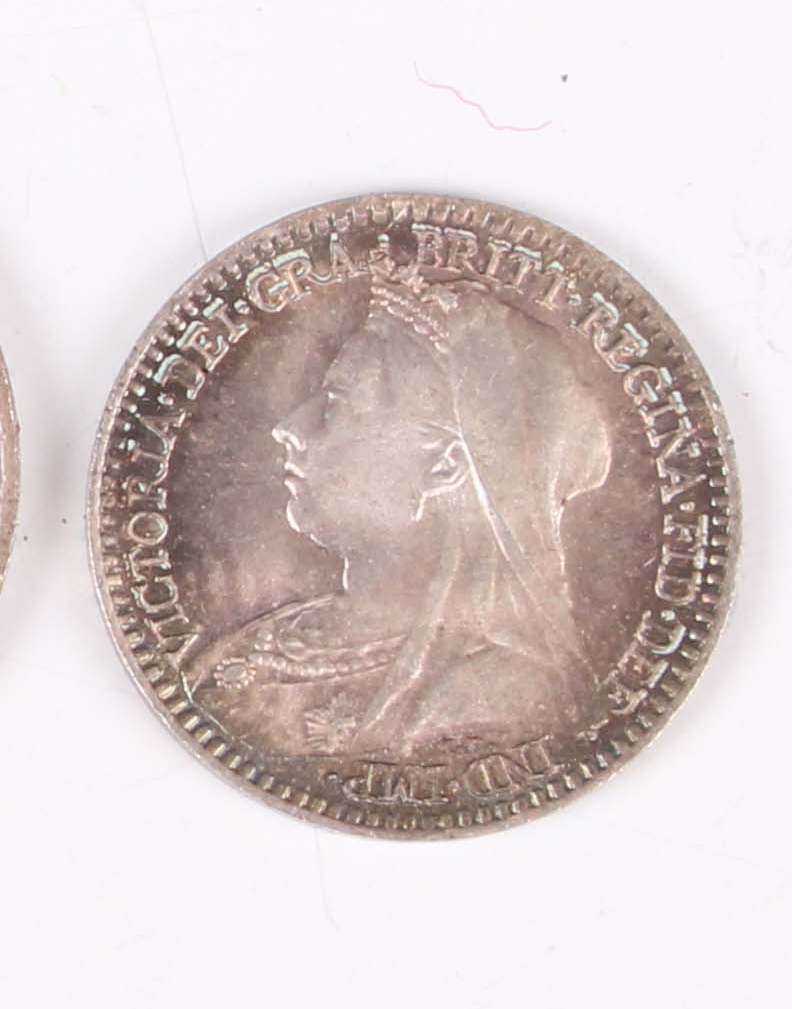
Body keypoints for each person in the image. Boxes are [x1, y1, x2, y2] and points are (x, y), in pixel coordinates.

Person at [185, 273, 615, 758]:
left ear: (445, 465)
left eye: (337, 403)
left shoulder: (500, 701)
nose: (289, 428)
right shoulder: (271, 637)